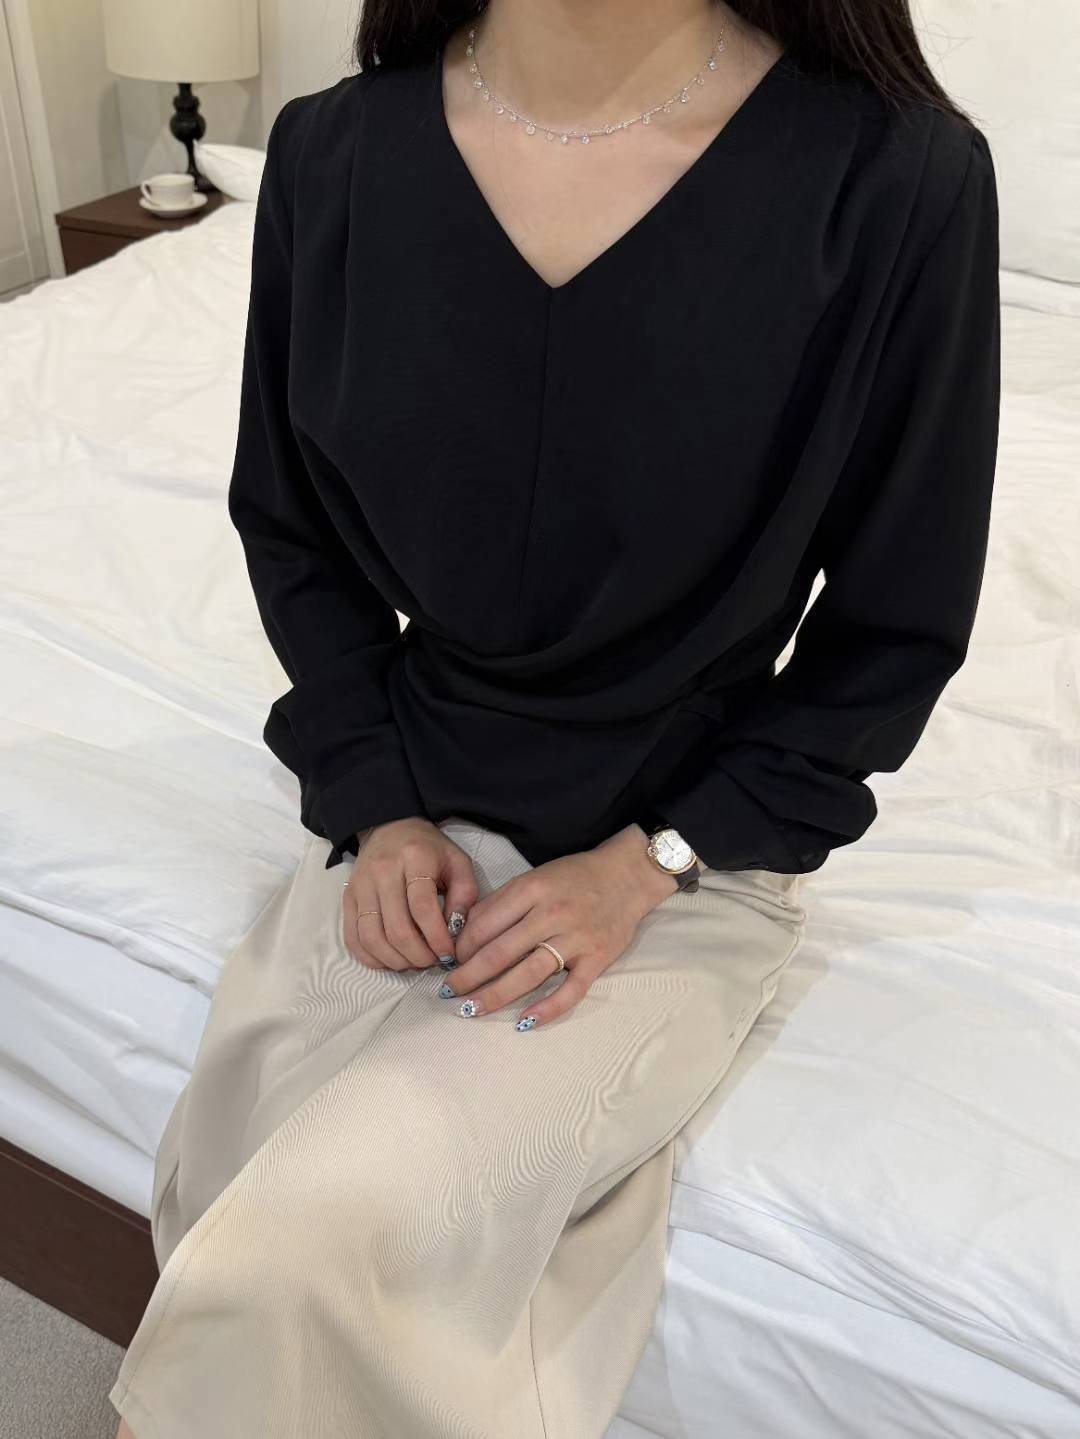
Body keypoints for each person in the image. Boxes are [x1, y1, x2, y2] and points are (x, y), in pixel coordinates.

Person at [110, 0, 1000, 1434]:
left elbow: (895, 628)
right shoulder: (334, 154)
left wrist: (651, 862)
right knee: (238, 1189)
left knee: (304, 1245)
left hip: (687, 845)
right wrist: (375, 801)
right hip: (412, 807)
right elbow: (290, 530)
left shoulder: (895, 178)